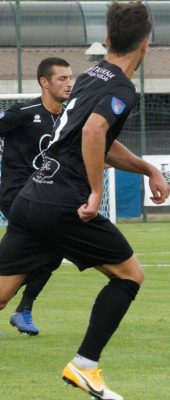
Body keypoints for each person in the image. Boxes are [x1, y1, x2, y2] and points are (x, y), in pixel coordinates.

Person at [0, 2, 169, 399]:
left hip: (33, 197)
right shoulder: (123, 88)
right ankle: (85, 366)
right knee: (129, 275)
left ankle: (85, 368)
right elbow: (94, 134)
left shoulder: (90, 75)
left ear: (108, 40)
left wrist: (148, 169)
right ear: (147, 44)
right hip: (65, 203)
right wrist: (95, 192)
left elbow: (96, 140)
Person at [0, 57, 73, 336]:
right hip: (17, 195)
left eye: (70, 78)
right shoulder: (24, 112)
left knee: (52, 254)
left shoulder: (69, 117)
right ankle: (23, 309)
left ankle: (24, 309)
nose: (69, 84)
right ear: (44, 82)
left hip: (46, 198)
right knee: (45, 247)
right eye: (62, 79)